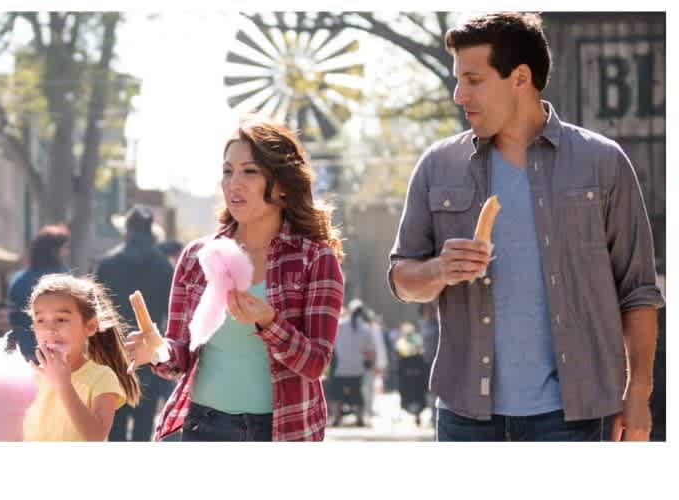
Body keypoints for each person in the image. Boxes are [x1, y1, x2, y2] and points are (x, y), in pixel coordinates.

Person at [388, 12, 664, 441]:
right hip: (466, 419)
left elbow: (638, 291)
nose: (459, 95)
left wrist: (638, 394)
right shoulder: (438, 166)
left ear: (520, 78)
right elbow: (402, 280)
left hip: (574, 419)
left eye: (473, 80)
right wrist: (439, 270)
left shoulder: (603, 163)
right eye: (458, 80)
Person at [125, 115, 345, 441]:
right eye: (228, 171)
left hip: (283, 431)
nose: (234, 183)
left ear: (283, 184)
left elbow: (315, 364)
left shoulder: (315, 259)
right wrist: (156, 351)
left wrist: (269, 322)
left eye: (249, 171)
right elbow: (180, 356)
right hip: (202, 427)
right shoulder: (197, 257)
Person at [22, 274, 141, 441]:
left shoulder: (102, 377)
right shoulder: (29, 378)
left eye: (61, 319)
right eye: (40, 320)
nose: (49, 329)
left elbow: (96, 436)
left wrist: (63, 384)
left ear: (90, 326)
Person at [95, 205, 176, 442]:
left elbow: (95, 309)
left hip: (113, 350)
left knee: (115, 421)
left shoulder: (107, 263)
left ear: (127, 229)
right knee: (144, 421)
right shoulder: (163, 265)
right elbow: (171, 312)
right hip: (149, 349)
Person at [7, 224, 71, 363]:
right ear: (54, 251)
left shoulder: (19, 280)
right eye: (65, 248)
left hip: (27, 353)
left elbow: (13, 319)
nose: (67, 252)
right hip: (58, 353)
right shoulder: (64, 279)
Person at [328, 301, 376, 427]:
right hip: (357, 369)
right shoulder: (366, 329)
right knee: (357, 394)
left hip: (340, 367)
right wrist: (372, 366)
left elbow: (332, 346)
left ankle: (337, 417)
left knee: (337, 394)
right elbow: (371, 352)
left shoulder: (339, 325)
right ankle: (359, 418)